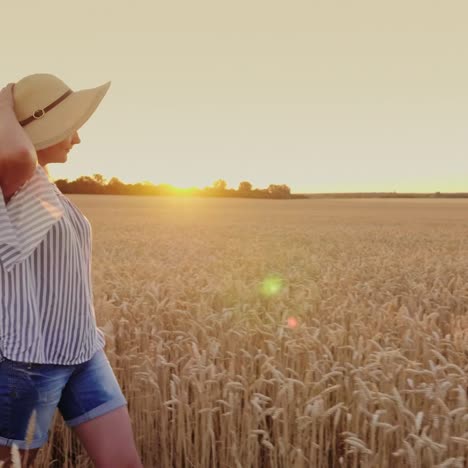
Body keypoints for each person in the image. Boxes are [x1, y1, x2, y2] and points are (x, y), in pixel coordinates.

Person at [0, 74, 143, 467]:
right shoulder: (10, 182)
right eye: (69, 127)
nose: (77, 138)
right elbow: (16, 156)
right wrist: (2, 103)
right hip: (28, 361)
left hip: (83, 351)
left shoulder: (43, 183)